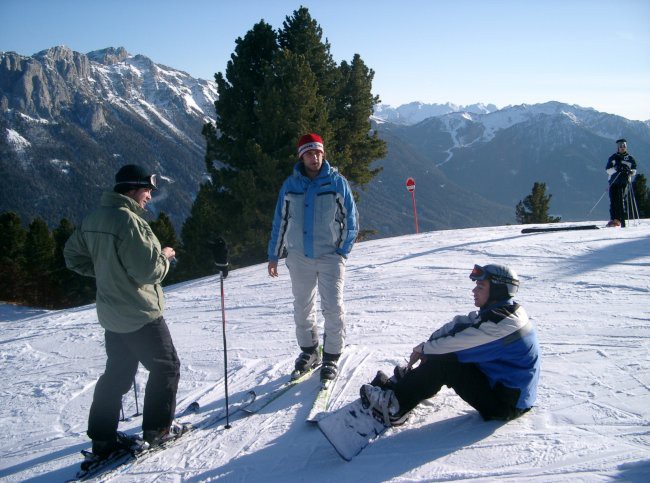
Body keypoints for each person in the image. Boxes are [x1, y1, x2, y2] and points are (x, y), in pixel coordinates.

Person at [64, 164, 183, 459]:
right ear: (132, 189)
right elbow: (149, 270)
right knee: (166, 367)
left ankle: (102, 439)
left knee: (117, 374)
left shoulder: (95, 218)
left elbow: (72, 257)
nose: (150, 197)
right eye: (147, 190)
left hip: (112, 315)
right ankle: (158, 430)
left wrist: (107, 273)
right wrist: (166, 256)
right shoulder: (129, 221)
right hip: (140, 314)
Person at [360, 264, 540, 427]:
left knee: (446, 360)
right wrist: (427, 346)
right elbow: (460, 325)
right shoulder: (504, 312)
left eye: (480, 286)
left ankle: (394, 409)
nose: (474, 290)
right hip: (505, 390)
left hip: (506, 404)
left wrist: (426, 350)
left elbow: (454, 344)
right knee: (442, 352)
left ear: (497, 291)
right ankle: (409, 386)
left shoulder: (498, 327)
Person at [268, 133, 358, 383]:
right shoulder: (290, 185)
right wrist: (273, 254)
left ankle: (331, 355)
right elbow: (280, 221)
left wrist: (342, 250)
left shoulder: (337, 183)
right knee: (302, 306)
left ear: (323, 154)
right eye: (309, 153)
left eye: (318, 152)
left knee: (333, 307)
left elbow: (351, 219)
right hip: (299, 257)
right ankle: (309, 351)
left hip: (330, 255)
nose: (315, 157)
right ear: (301, 156)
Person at [606, 138, 637, 227]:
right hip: (613, 182)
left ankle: (621, 220)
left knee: (621, 201)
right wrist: (616, 168)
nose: (622, 148)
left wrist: (630, 171)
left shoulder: (630, 158)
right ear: (618, 147)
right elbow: (608, 170)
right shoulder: (613, 157)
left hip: (624, 182)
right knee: (613, 201)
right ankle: (614, 220)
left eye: (624, 146)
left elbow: (634, 170)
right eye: (620, 146)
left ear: (626, 147)